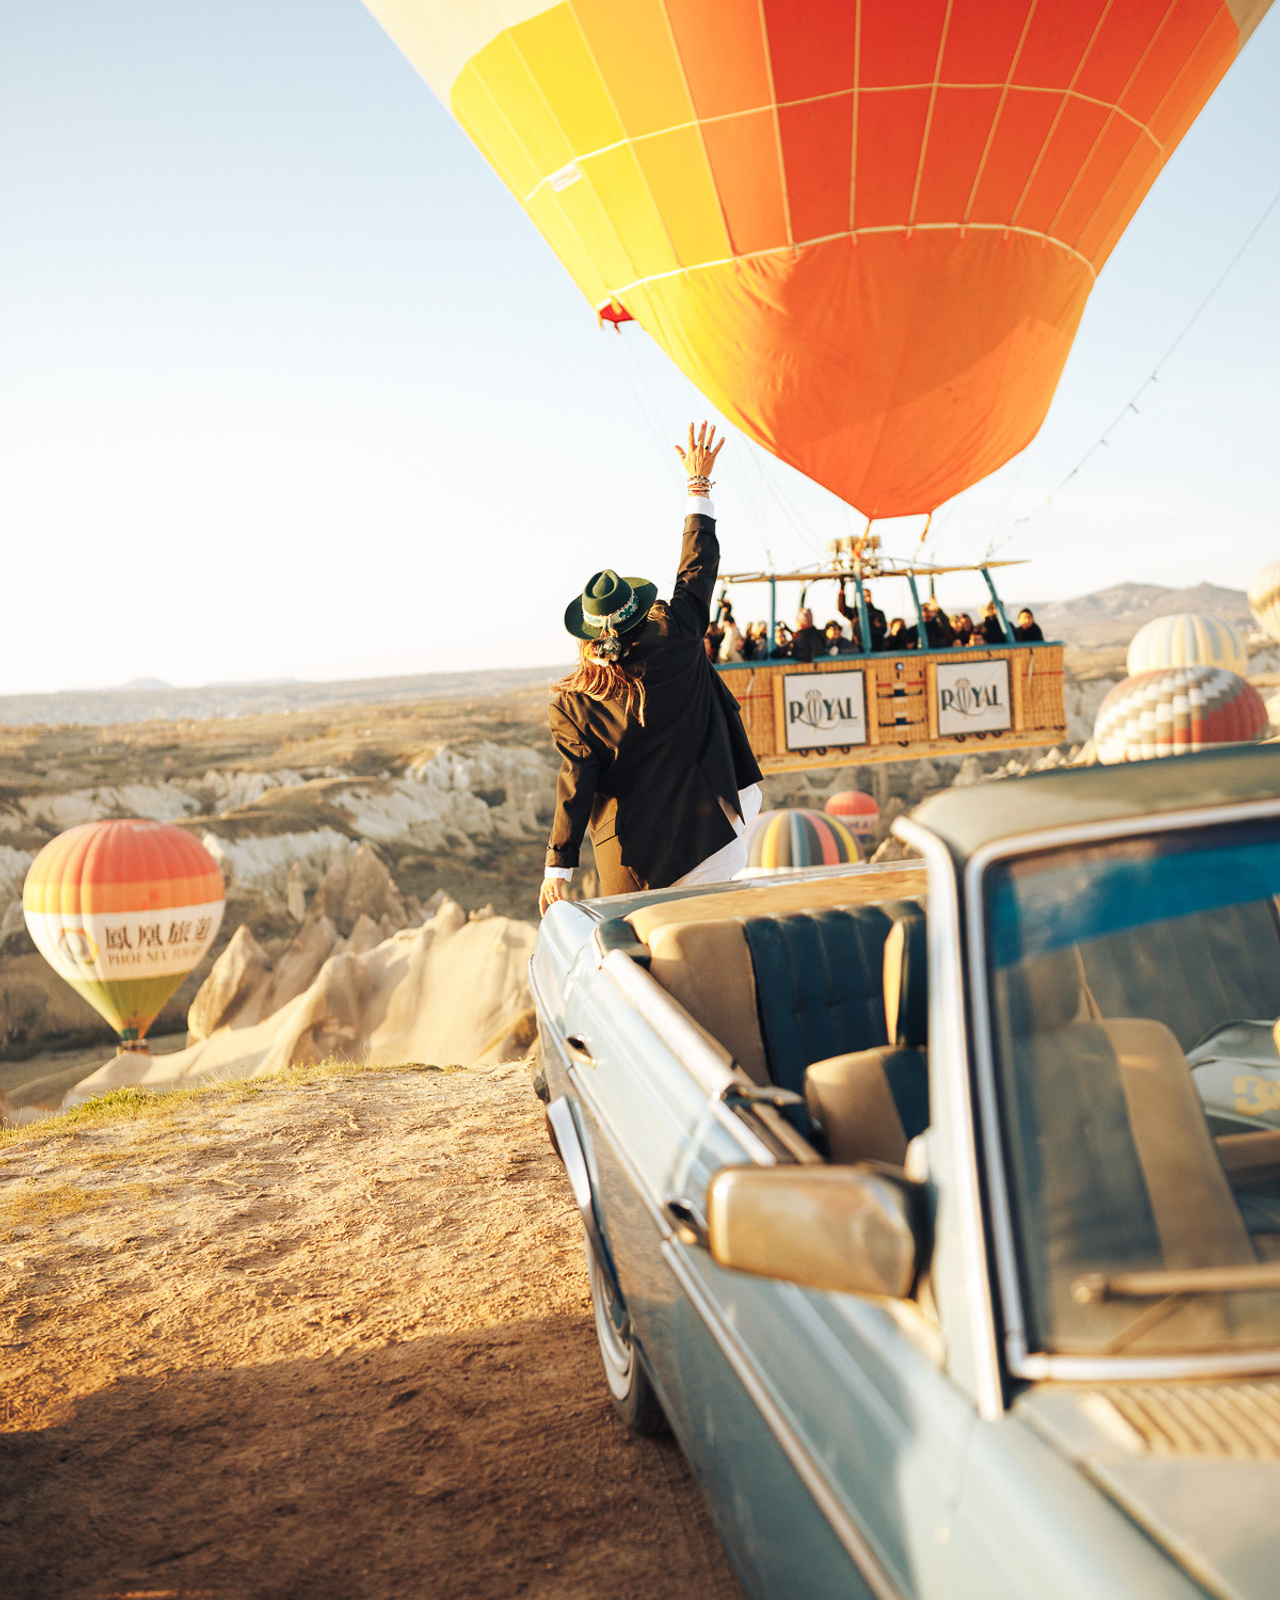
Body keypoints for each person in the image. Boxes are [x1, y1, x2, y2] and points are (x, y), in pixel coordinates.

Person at [540, 423, 763, 914]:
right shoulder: (676, 633)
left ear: (586, 634)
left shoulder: (573, 704)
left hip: (637, 873)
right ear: (639, 611)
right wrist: (697, 487)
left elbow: (575, 785)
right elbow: (696, 569)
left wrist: (559, 866)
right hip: (715, 836)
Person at [838, 582, 886, 650]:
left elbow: (882, 630)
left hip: (876, 647)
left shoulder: (878, 613)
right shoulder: (856, 612)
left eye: (868, 596)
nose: (866, 598)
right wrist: (842, 589)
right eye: (864, 596)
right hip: (858, 648)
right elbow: (842, 608)